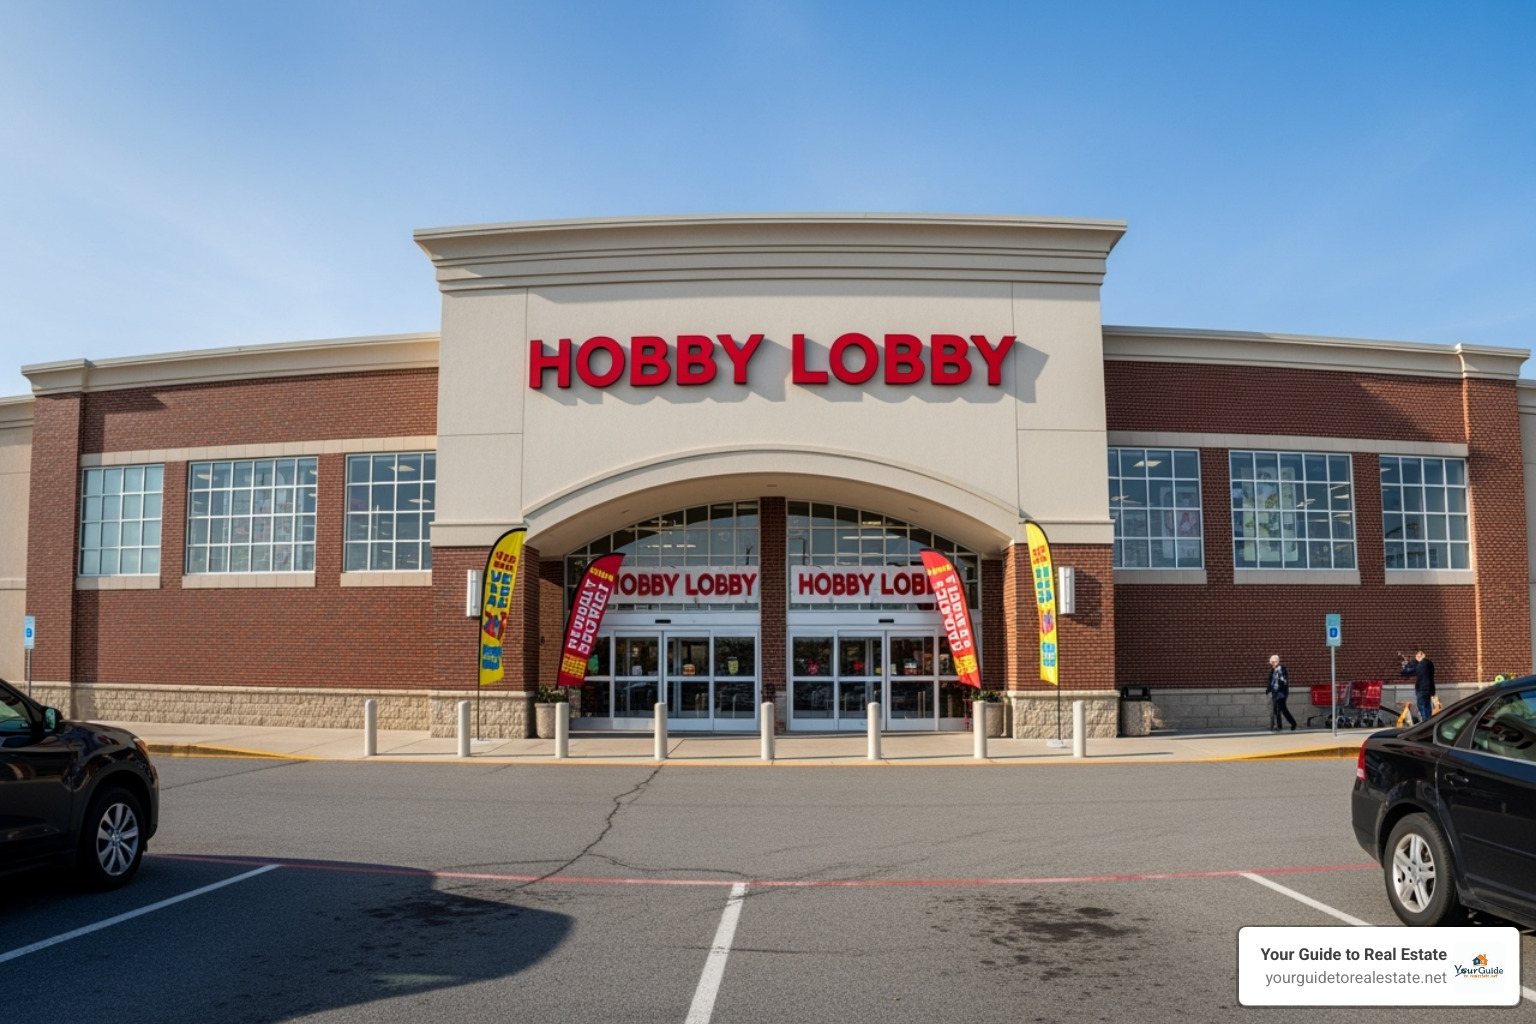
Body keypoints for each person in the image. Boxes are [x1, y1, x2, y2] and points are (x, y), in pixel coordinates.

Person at [1399, 649, 1436, 722]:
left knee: (1422, 706)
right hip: (1429, 689)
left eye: (1418, 656)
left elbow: (1405, 672)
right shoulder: (1429, 664)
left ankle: (1426, 722)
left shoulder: (1420, 665)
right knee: (1427, 706)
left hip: (1421, 688)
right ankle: (1429, 721)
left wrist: (1415, 661)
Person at [1266, 654, 1297, 731]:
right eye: (1271, 663)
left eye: (1273, 662)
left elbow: (1284, 680)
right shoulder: (1273, 670)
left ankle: (1290, 724)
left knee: (1281, 709)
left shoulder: (1281, 669)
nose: (1271, 664)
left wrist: (1281, 684)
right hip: (1275, 692)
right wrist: (1269, 688)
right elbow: (1271, 681)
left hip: (1281, 692)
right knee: (1276, 709)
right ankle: (1279, 725)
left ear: (1276, 662)